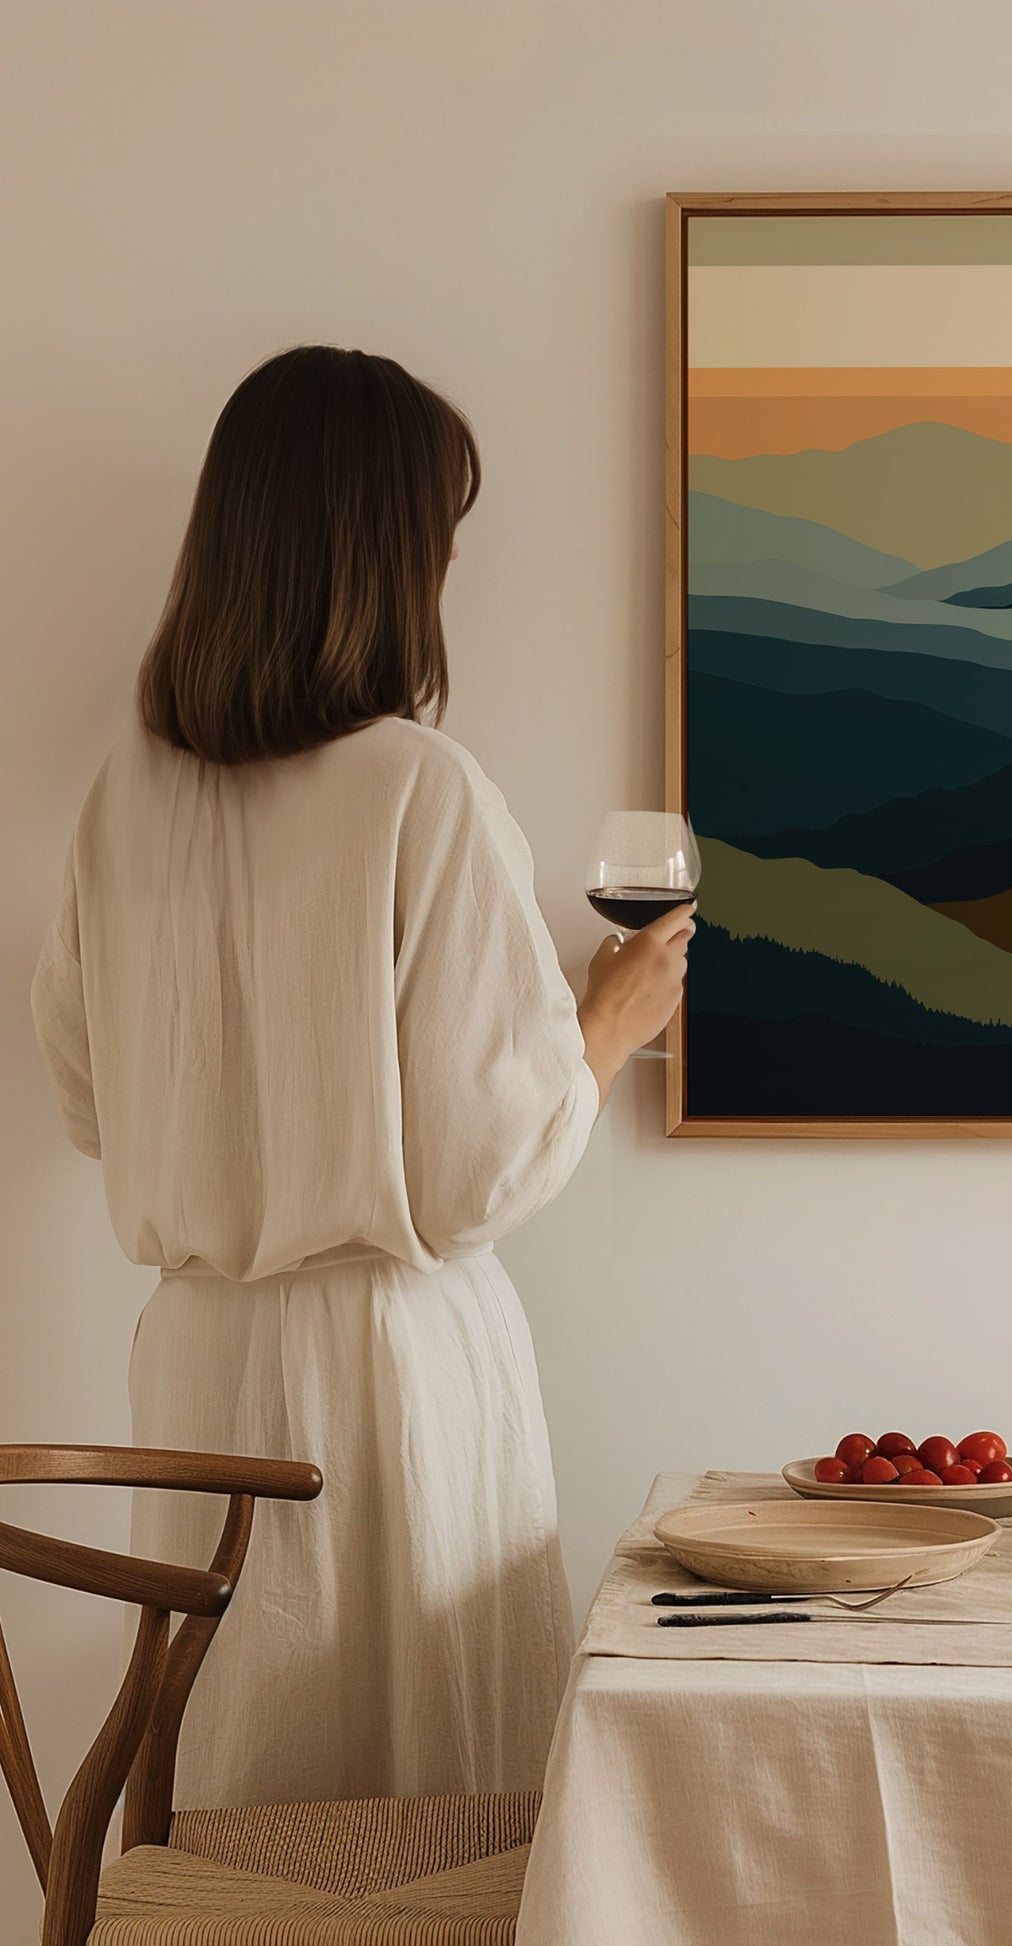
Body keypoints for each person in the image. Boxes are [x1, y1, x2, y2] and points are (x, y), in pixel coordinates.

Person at [29, 345, 690, 1806]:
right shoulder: (418, 785)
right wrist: (606, 1020)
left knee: (242, 1792)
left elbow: (87, 1100)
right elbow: (473, 1172)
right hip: (390, 1373)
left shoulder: (122, 798)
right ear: (386, 556)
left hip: (198, 1362)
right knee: (424, 1811)